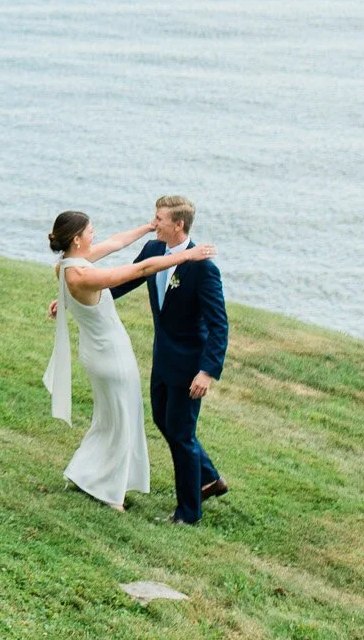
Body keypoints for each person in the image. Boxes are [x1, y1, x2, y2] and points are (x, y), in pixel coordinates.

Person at [43, 210, 217, 512]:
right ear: (77, 239)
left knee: (108, 420)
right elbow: (140, 270)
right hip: (112, 358)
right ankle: (113, 494)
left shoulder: (66, 265)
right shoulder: (83, 274)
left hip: (96, 353)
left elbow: (115, 242)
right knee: (124, 423)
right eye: (89, 230)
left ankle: (86, 473)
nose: (94, 233)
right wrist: (186, 257)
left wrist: (146, 228)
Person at [112, 194, 229, 525]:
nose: (154, 223)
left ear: (178, 224)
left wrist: (207, 371)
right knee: (163, 421)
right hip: (162, 357)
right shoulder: (152, 251)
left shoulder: (204, 269)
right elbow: (124, 280)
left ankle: (189, 513)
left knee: (180, 433)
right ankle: (209, 479)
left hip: (190, 364)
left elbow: (219, 324)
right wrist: (82, 297)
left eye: (160, 219)